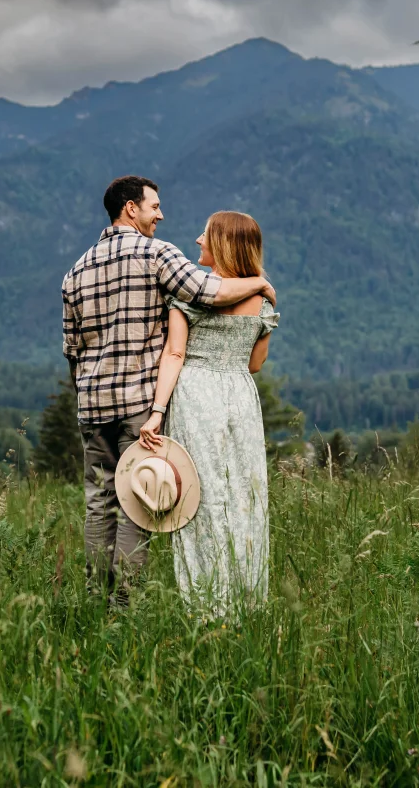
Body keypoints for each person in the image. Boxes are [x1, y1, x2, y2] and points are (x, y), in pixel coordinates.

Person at [62, 177, 275, 607]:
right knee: (139, 503)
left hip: (93, 403)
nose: (160, 215)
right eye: (154, 206)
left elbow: (72, 348)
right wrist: (260, 285)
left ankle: (92, 601)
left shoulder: (76, 271)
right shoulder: (155, 252)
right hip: (140, 402)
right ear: (130, 209)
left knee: (99, 501)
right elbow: (207, 291)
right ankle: (122, 606)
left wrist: (86, 392)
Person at [139, 210, 278, 617]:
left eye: (205, 235)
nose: (198, 240)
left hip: (197, 394)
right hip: (240, 396)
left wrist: (156, 411)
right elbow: (255, 364)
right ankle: (246, 601)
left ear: (222, 244)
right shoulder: (262, 299)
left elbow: (175, 353)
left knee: (200, 496)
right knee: (244, 495)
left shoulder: (192, 296)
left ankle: (207, 604)